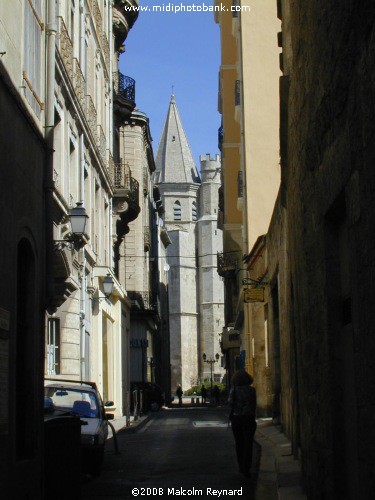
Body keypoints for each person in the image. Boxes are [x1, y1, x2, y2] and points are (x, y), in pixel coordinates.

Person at [228, 369, 257, 477]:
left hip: (237, 419)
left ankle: (241, 466)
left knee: (239, 443)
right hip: (248, 418)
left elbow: (230, 403)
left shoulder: (234, 390)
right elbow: (253, 404)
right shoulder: (251, 390)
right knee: (248, 443)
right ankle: (247, 467)